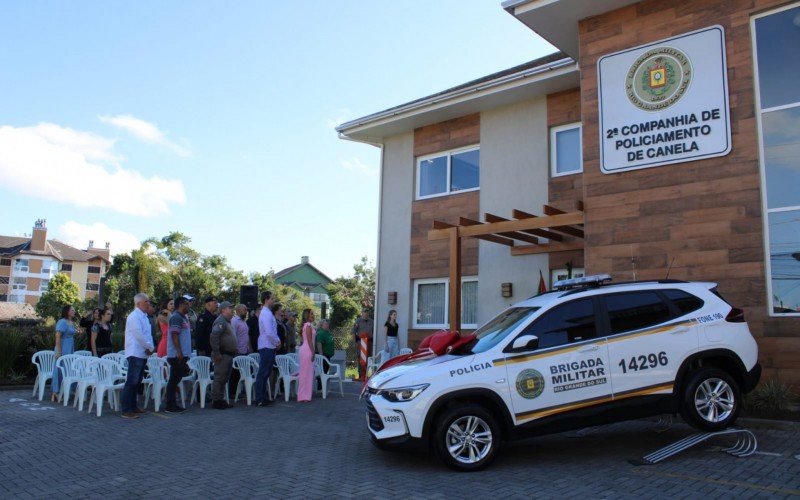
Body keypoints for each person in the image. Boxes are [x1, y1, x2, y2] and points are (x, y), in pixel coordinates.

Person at [121, 293, 155, 419]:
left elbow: (147, 335)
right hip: (135, 352)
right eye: (146, 301)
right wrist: (148, 347)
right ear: (139, 303)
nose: (149, 304)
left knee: (137, 381)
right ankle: (126, 409)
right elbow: (138, 335)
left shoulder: (144, 316)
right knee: (132, 381)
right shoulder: (134, 316)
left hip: (142, 352)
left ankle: (133, 406)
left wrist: (150, 347)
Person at [165, 296, 191, 413]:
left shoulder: (183, 317)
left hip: (182, 354)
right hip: (176, 355)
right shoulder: (176, 317)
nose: (189, 306)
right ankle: (170, 405)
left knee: (176, 379)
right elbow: (174, 335)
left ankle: (172, 404)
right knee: (173, 380)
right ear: (180, 305)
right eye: (187, 303)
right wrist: (179, 351)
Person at [210, 301, 237, 410]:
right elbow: (214, 337)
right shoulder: (220, 321)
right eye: (230, 308)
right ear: (223, 310)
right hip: (222, 355)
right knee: (219, 378)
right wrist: (217, 353)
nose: (232, 310)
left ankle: (220, 399)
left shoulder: (227, 322)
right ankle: (216, 401)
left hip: (227, 355)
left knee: (223, 378)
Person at [254, 291, 280, 406]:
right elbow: (269, 332)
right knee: (263, 373)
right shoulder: (266, 313)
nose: (273, 301)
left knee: (265, 373)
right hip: (267, 346)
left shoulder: (267, 312)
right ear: (266, 300)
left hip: (268, 346)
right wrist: (277, 342)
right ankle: (259, 398)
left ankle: (262, 397)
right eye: (272, 298)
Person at [51, 305, 76, 402]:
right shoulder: (62, 322)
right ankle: (55, 392)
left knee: (67, 369)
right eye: (72, 310)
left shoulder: (71, 322)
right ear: (67, 311)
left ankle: (64, 390)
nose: (74, 311)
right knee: (59, 369)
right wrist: (58, 350)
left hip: (69, 347)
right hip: (63, 347)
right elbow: (58, 336)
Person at [230, 303, 250, 398]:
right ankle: (232, 392)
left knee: (241, 373)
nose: (246, 312)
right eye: (244, 310)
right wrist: (235, 349)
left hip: (244, 350)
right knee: (235, 373)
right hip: (237, 351)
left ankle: (238, 391)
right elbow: (233, 336)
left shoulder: (243, 321)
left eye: (246, 310)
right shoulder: (234, 321)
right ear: (238, 310)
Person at [296, 308, 316, 403]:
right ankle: (304, 396)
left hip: (305, 349)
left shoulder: (307, 325)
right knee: (306, 374)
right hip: (307, 350)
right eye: (311, 314)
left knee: (305, 373)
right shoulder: (308, 325)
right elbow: (309, 340)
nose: (313, 315)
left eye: (313, 314)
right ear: (307, 315)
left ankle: (303, 395)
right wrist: (313, 352)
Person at [353, 309, 374, 380]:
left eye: (367, 313)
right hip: (360, 342)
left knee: (368, 358)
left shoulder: (372, 321)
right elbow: (353, 332)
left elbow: (374, 332)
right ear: (362, 313)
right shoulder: (358, 321)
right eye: (365, 313)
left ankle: (366, 374)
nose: (366, 315)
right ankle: (360, 374)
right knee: (360, 358)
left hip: (369, 342)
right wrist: (355, 342)